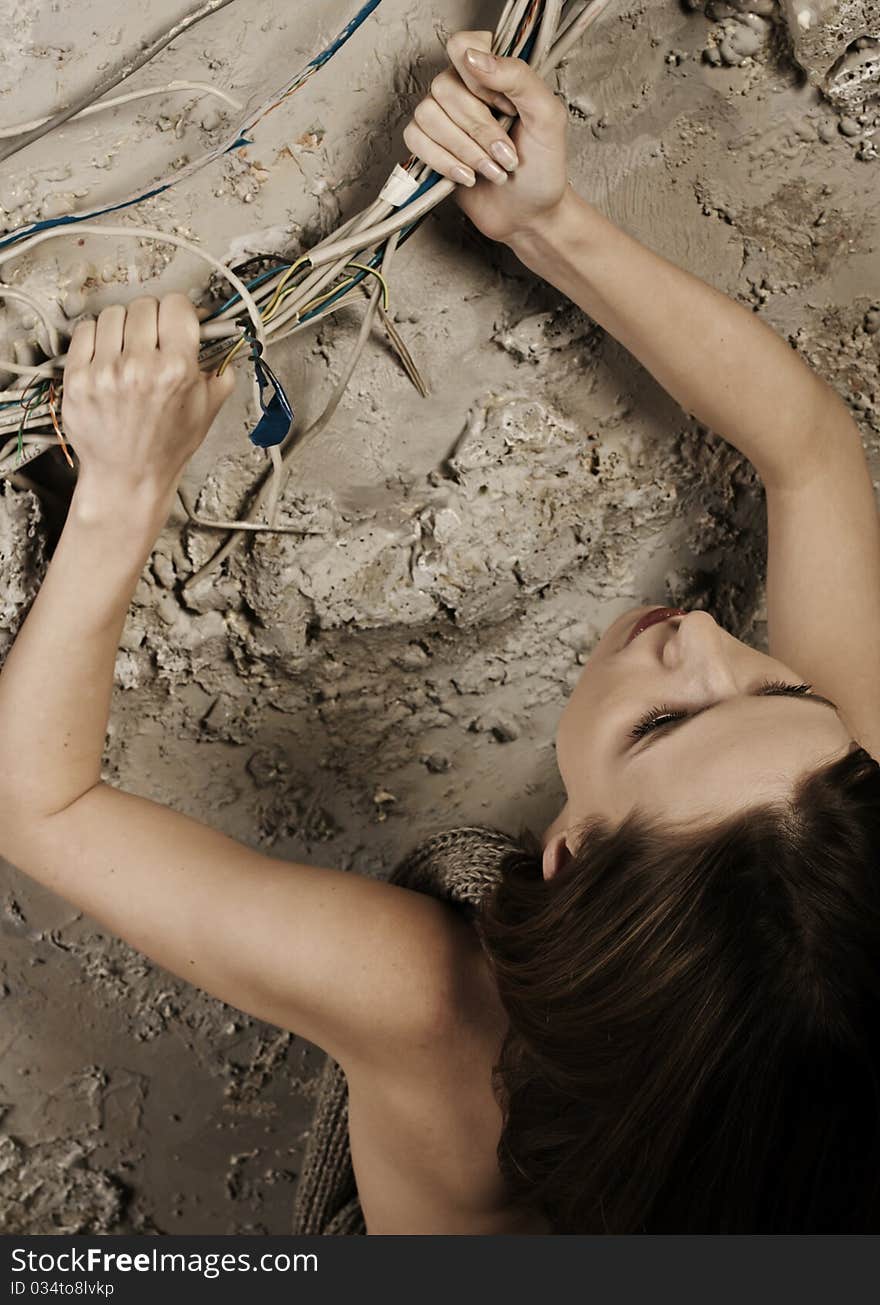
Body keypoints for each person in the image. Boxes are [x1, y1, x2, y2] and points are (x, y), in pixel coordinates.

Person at [1, 29, 879, 1235]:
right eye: (779, 690)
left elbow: (40, 808)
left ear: (566, 861)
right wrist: (545, 220)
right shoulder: (825, 839)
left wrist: (118, 497)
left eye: (666, 721)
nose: (709, 639)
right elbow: (815, 461)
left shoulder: (432, 1010)